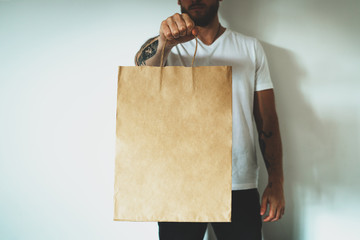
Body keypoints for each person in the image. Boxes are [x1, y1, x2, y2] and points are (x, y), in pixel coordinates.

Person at [135, 0, 285, 239]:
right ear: (178, 0)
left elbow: (267, 120)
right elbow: (140, 73)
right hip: (179, 185)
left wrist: (276, 181)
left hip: (239, 183)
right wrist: (164, 42)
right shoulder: (167, 48)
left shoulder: (250, 48)